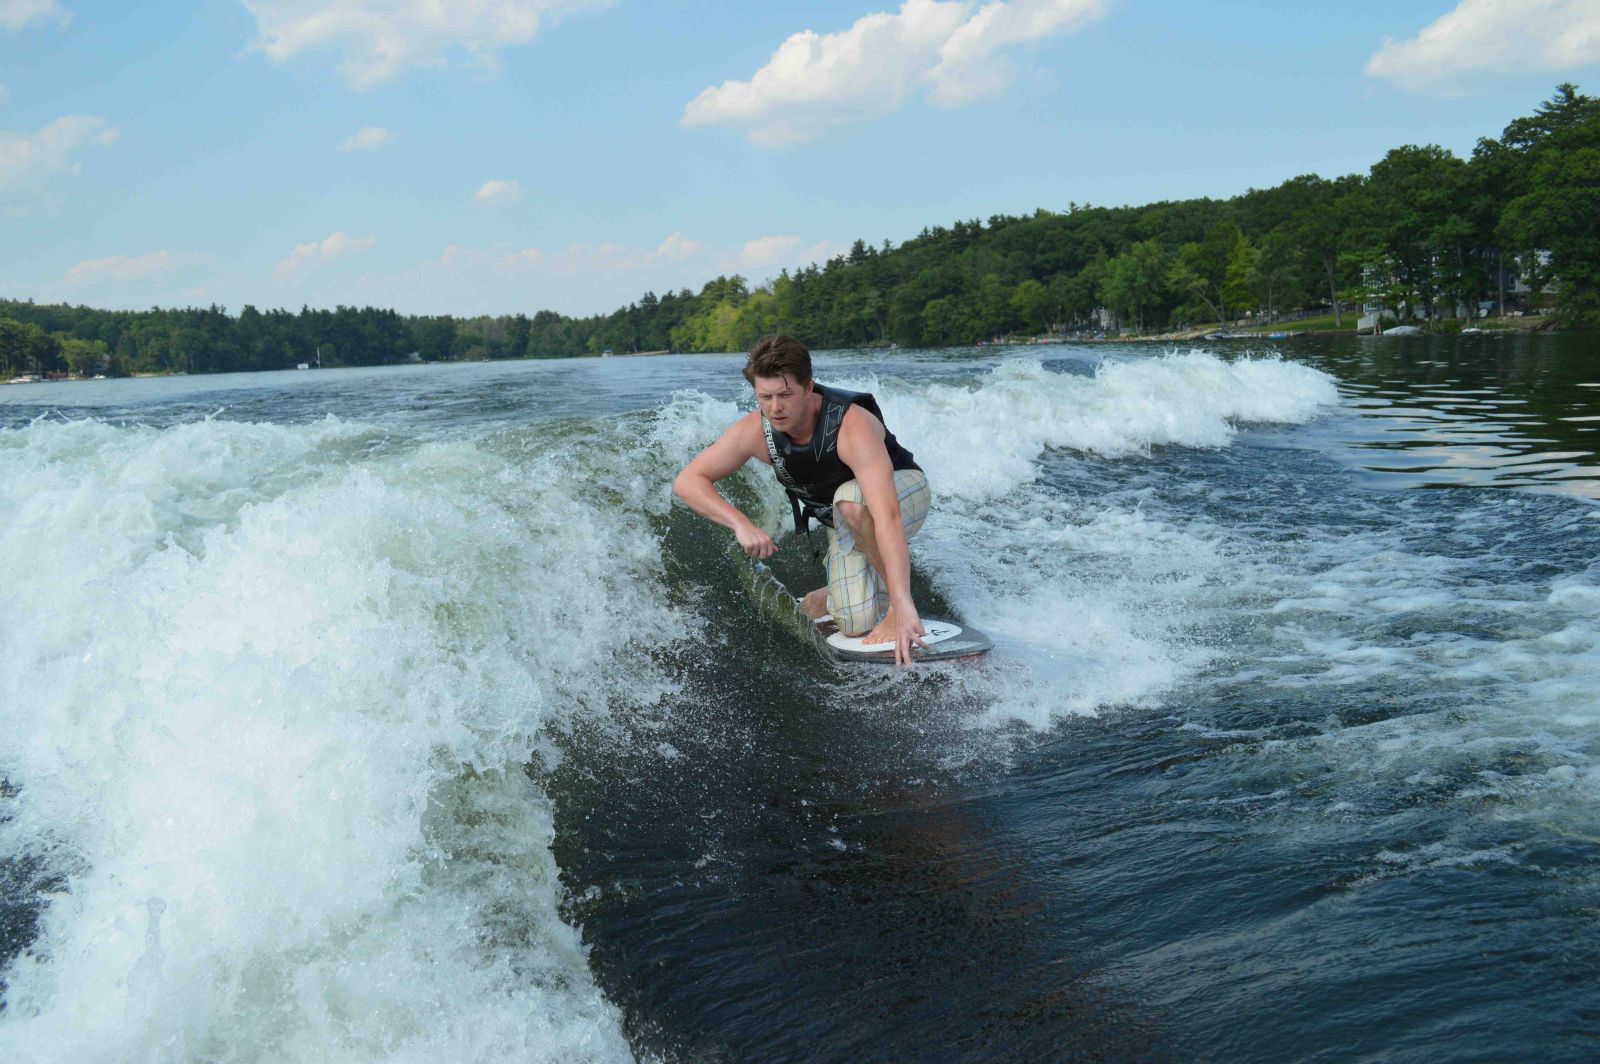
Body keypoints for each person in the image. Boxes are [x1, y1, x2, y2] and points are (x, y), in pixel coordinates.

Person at [673, 335, 933, 665]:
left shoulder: (851, 425)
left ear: (809, 387)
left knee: (851, 500)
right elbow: (688, 481)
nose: (775, 407)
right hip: (844, 518)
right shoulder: (755, 432)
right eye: (764, 397)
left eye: (785, 395)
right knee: (856, 624)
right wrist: (740, 523)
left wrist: (901, 603)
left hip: (903, 492)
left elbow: (888, 516)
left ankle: (896, 606)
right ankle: (829, 597)